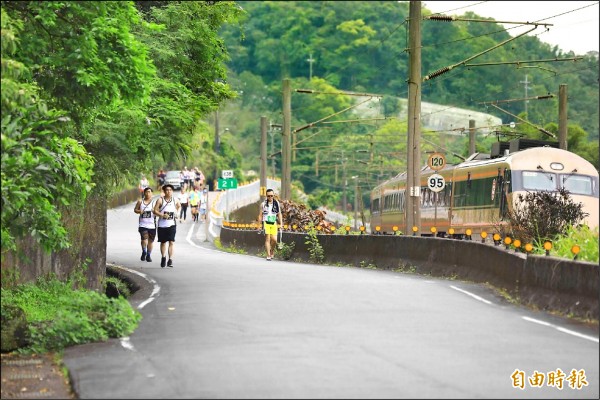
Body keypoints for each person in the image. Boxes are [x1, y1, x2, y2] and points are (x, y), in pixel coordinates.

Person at [153, 184, 181, 268]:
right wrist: (162, 215)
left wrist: (177, 212)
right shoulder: (160, 200)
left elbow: (179, 206)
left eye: (170, 190)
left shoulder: (175, 200)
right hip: (162, 225)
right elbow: (155, 211)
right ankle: (163, 257)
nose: (169, 191)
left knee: (171, 241)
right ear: (164, 191)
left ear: (172, 191)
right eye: (167, 190)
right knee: (163, 242)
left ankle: (170, 259)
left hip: (172, 224)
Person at [258, 188, 283, 261]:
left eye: (271, 196)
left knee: (275, 240)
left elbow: (279, 214)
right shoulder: (263, 204)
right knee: (267, 239)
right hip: (266, 223)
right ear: (266, 196)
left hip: (274, 223)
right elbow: (260, 215)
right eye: (268, 196)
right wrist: (259, 225)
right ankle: (268, 255)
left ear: (274, 195)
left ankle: (272, 251)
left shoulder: (276, 203)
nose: (270, 197)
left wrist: (281, 224)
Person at [134, 186, 156, 262]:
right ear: (144, 193)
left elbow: (158, 212)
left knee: (150, 241)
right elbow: (135, 210)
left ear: (152, 193)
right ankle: (144, 251)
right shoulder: (140, 201)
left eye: (149, 192)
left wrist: (154, 211)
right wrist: (139, 211)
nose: (148, 193)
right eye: (146, 192)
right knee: (144, 239)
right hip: (143, 224)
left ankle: (148, 255)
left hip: (152, 225)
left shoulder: (154, 202)